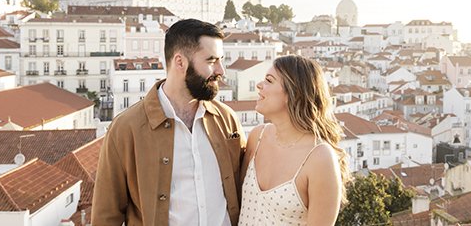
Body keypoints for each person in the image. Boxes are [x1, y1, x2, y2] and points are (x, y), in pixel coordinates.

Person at [92, 19, 245, 226]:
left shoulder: (226, 119)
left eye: (221, 60)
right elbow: (106, 216)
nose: (221, 70)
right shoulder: (126, 129)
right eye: (211, 61)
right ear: (180, 62)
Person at [237, 55, 346, 226]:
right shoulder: (257, 137)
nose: (259, 85)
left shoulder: (320, 158)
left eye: (269, 80)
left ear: (292, 93)